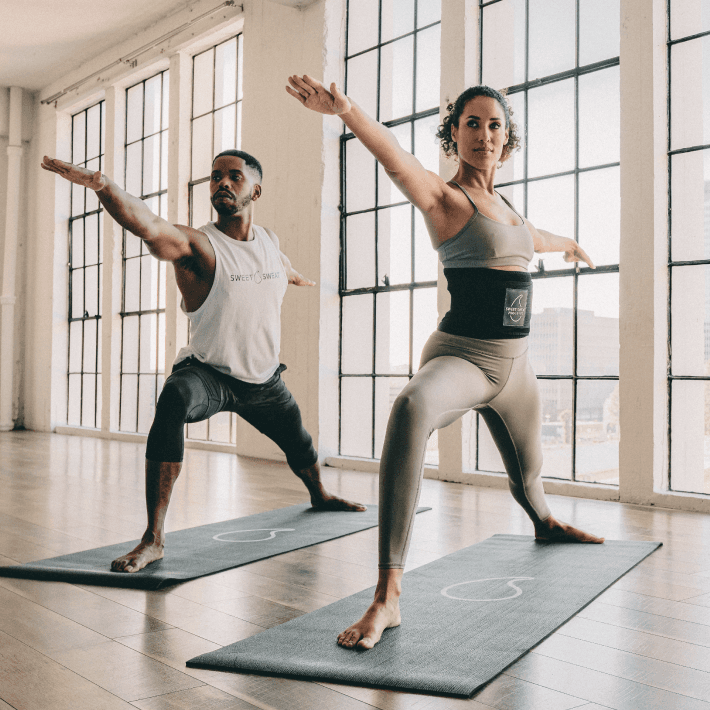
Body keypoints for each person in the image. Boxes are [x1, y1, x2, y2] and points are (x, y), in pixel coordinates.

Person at [286, 76, 605, 650]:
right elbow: (396, 160)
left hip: (517, 368)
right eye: (472, 123)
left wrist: (569, 244)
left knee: (527, 476)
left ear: (508, 142)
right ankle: (388, 594)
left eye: (494, 125)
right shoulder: (445, 199)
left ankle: (545, 523)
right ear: (453, 135)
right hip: (462, 357)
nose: (484, 133)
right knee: (411, 406)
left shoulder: (507, 209)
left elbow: (533, 235)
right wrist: (348, 112)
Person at [41, 149, 366, 574]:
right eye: (215, 177)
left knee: (300, 443)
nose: (222, 184)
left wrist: (292, 274)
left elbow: (273, 266)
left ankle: (319, 494)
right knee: (174, 396)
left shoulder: (270, 241)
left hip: (264, 380)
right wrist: (104, 186)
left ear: (256, 190)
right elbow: (148, 224)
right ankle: (153, 538)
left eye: (234, 176)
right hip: (209, 373)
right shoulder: (197, 245)